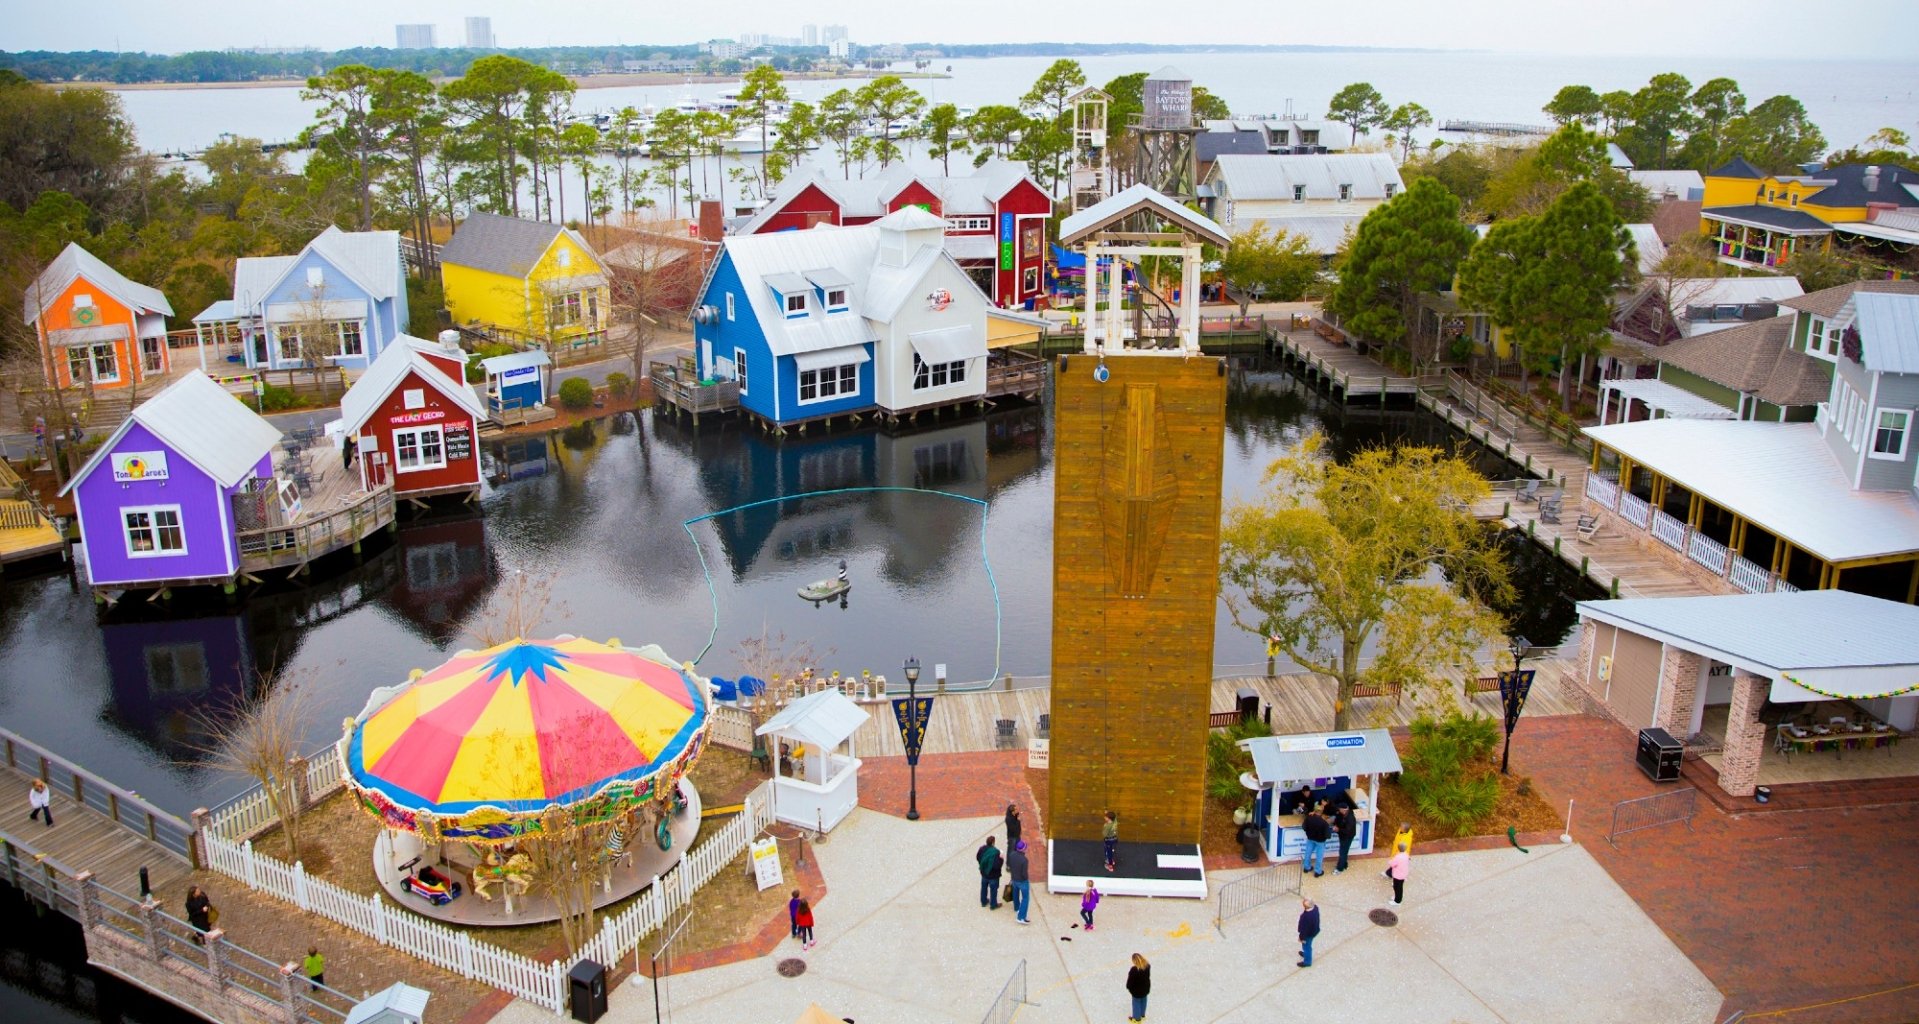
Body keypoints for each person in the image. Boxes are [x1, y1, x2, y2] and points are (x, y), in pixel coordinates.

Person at [1300, 803, 1330, 877]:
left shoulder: (1308, 818)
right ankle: (1318, 871)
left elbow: (1304, 827)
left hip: (1310, 838)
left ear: (1314, 810)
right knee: (1319, 856)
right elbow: (1328, 835)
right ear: (1322, 811)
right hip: (1320, 841)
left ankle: (1306, 867)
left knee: (1308, 852)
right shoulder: (1324, 823)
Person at [1007, 839, 1031, 925]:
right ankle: (1021, 917)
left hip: (1014, 879)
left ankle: (1016, 908)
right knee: (1025, 898)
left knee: (1015, 893)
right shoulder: (1024, 860)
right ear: (1023, 849)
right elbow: (1024, 874)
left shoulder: (1012, 855)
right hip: (1022, 881)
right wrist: (1027, 879)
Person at [976, 836, 1003, 910]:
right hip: (993, 876)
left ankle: (983, 901)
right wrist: (1001, 859)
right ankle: (993, 905)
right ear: (993, 843)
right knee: (993, 890)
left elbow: (978, 857)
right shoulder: (996, 852)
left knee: (984, 888)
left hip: (984, 874)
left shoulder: (982, 849)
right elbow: (997, 866)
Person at [1125, 953, 1151, 1022]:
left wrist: (1128, 987)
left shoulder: (1134, 970)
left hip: (1137, 991)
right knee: (1143, 1000)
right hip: (1145, 989)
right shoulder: (1147, 966)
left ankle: (1136, 1019)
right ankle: (1142, 1015)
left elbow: (1130, 982)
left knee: (1136, 1003)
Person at [1332, 802, 1357, 873]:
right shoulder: (1341, 814)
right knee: (1344, 851)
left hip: (1348, 836)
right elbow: (1337, 819)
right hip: (1343, 835)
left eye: (1340, 809)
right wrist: (1335, 824)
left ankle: (1339, 869)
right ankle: (1344, 864)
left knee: (1342, 852)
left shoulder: (1350, 818)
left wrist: (1338, 829)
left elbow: (1347, 830)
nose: (1339, 810)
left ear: (1344, 810)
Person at [1297, 898, 1321, 967]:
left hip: (1308, 934)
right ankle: (1306, 954)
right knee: (1307, 945)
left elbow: (1304, 929)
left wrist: (1301, 938)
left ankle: (1307, 961)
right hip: (1314, 931)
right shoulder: (1315, 908)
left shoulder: (1306, 917)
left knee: (1307, 947)